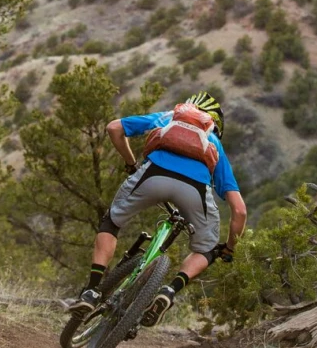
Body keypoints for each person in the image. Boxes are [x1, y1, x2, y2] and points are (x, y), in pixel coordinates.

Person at [69, 91, 247, 326]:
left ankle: (91, 291)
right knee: (206, 250)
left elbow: (114, 128)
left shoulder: (168, 118)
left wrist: (131, 163)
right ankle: (169, 291)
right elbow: (240, 211)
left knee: (111, 221)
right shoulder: (214, 143)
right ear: (214, 123)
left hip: (151, 176)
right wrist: (229, 249)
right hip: (195, 191)